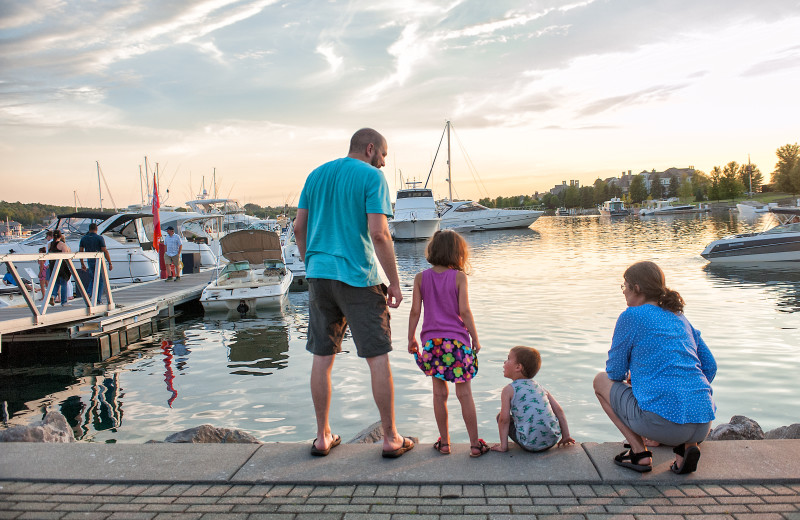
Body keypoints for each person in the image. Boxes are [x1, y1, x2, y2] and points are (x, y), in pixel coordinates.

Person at [294, 127, 414, 459]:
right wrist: (394, 281)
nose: (385, 164)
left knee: (322, 357)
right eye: (384, 156)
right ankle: (390, 437)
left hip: (319, 275)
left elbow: (298, 229)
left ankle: (322, 437)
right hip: (359, 277)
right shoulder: (372, 177)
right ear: (371, 148)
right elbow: (379, 234)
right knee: (377, 358)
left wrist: (311, 263)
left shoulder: (315, 175)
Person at [593, 261, 716, 475]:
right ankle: (686, 448)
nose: (623, 292)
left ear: (636, 288)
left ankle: (639, 453)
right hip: (703, 422)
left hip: (664, 424)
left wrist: (635, 379)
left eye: (625, 286)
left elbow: (614, 372)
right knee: (678, 389)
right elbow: (710, 367)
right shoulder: (679, 316)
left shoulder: (631, 316)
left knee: (600, 381)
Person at [407, 229, 488, 457]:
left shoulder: (421, 277)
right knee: (465, 395)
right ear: (457, 253)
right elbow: (464, 310)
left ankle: (444, 443)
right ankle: (474, 444)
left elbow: (415, 311)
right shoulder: (459, 277)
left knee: (438, 394)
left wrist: (411, 336)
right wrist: (475, 336)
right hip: (457, 344)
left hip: (432, 343)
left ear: (433, 250)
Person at [490, 346, 575, 453]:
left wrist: (503, 446)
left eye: (508, 359)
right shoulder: (539, 387)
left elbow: (504, 420)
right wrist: (566, 435)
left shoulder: (508, 390)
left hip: (530, 444)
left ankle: (506, 445)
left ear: (518, 367)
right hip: (552, 439)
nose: (504, 362)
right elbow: (559, 411)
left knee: (500, 416)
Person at [79, 222, 112, 303]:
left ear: (89, 229)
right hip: (98, 261)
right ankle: (98, 299)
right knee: (100, 280)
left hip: (89, 260)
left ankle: (89, 293)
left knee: (92, 278)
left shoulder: (83, 238)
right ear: (96, 229)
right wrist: (110, 262)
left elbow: (81, 251)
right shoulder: (99, 238)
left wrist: (82, 263)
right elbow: (104, 250)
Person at [48, 230, 72, 306]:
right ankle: (64, 302)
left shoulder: (49, 245)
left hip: (53, 265)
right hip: (61, 266)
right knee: (64, 283)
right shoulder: (62, 245)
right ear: (60, 236)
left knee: (56, 283)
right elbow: (66, 257)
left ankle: (53, 296)